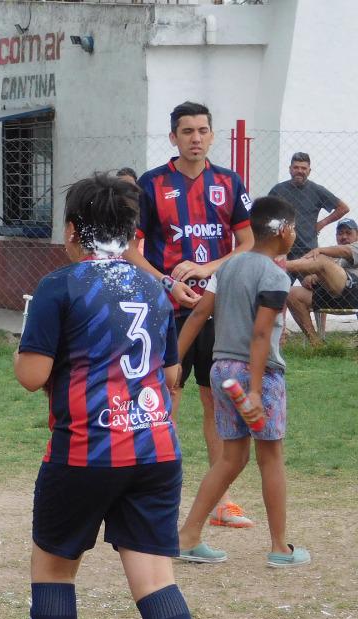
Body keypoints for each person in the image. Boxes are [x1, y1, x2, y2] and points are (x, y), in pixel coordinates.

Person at [1, 172, 212, 619]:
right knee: (154, 578)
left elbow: (31, 375)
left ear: (73, 231)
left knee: (53, 569)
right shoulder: (152, 288)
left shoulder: (59, 286)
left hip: (85, 451)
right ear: (132, 232)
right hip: (155, 449)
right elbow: (169, 375)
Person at [126, 101, 255, 531]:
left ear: (212, 135)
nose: (196, 138)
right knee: (168, 395)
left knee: (214, 399)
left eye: (202, 130)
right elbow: (130, 250)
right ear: (173, 138)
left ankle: (221, 501)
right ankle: (154, 501)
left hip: (220, 308)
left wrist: (207, 270)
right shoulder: (152, 184)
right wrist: (167, 282)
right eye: (187, 131)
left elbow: (248, 244)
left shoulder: (229, 183)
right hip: (171, 310)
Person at [175, 196, 310, 569]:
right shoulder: (275, 275)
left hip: (221, 371)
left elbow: (200, 312)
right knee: (271, 458)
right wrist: (253, 390)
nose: (294, 235)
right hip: (259, 377)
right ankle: (281, 548)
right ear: (282, 231)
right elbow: (262, 334)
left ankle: (187, 536)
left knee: (231, 458)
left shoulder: (230, 266)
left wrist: (173, 362)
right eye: (294, 229)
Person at [282, 216, 358, 341]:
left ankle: (278, 264)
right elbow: (325, 270)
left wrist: (320, 251)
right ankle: (316, 344)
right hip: (331, 297)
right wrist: (312, 277)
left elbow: (344, 251)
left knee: (321, 260)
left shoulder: (352, 248)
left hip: (353, 293)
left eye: (348, 233)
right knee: (292, 293)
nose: (344, 237)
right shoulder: (332, 255)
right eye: (340, 233)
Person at [268, 151, 349, 261]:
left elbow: (343, 208)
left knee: (310, 279)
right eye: (296, 167)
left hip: (308, 251)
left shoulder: (317, 190)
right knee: (280, 278)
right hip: (283, 250)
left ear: (309, 171)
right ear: (290, 169)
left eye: (303, 168)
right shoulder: (278, 190)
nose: (299, 171)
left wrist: (321, 223)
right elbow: (266, 215)